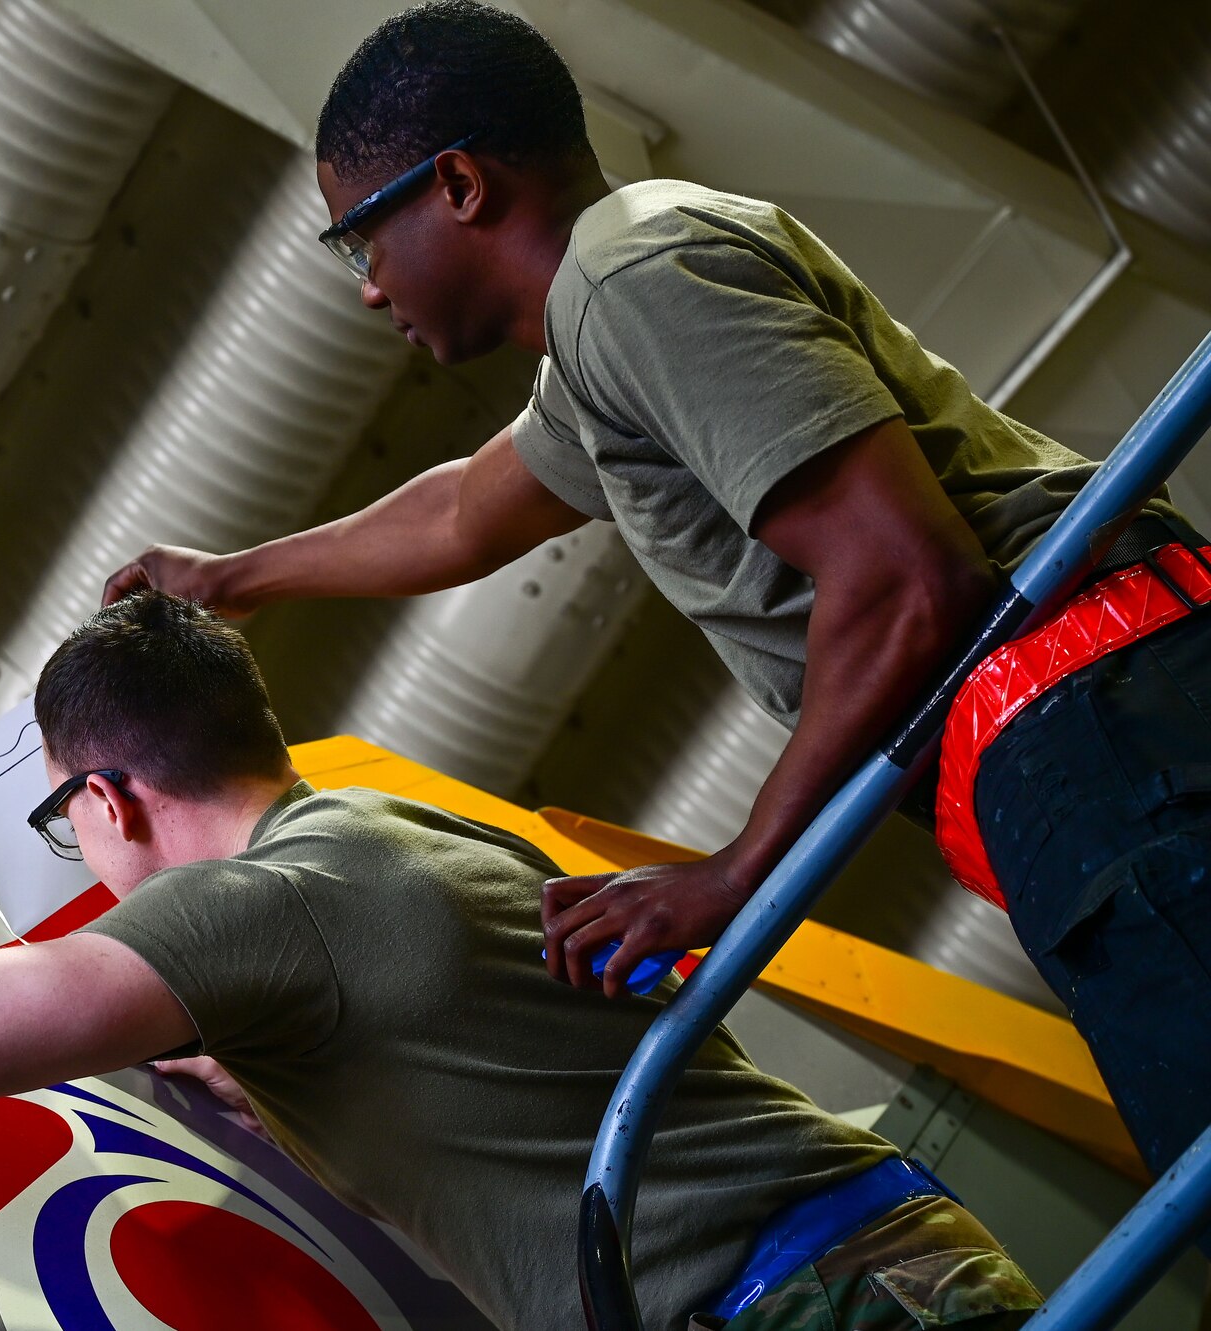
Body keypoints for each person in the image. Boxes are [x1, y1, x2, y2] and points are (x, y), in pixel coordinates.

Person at [101, 0, 1211, 1179]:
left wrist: (733, 876)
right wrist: (231, 575)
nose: (369, 290)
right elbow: (465, 508)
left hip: (1090, 722)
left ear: (460, 186)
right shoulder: (604, 332)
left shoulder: (631, 278)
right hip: (1088, 723)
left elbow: (903, 579)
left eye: (360, 239)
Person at [0, 591, 1040, 1330]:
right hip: (875, 1264)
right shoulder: (398, 835)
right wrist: (280, 1094)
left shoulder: (275, 901)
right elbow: (483, 1078)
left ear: (110, 798)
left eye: (73, 822)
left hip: (809, 1303)